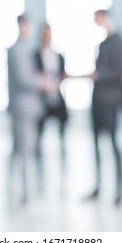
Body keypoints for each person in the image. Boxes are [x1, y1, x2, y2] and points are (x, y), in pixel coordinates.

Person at [83, 9, 122, 206]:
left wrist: (99, 76)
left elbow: (119, 71)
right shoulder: (103, 43)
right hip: (98, 101)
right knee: (96, 145)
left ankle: (119, 190)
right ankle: (98, 186)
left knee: (113, 145)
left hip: (110, 101)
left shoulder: (118, 41)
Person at [7, 15, 44, 203]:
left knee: (25, 150)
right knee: (22, 150)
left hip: (29, 108)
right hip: (22, 108)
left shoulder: (25, 49)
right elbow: (24, 80)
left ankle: (25, 189)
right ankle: (21, 190)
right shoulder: (17, 50)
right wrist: (43, 82)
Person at [34, 24, 68, 187]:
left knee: (63, 137)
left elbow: (62, 74)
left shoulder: (58, 55)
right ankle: (39, 175)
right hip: (43, 101)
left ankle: (63, 172)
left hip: (57, 99)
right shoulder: (36, 55)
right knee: (38, 138)